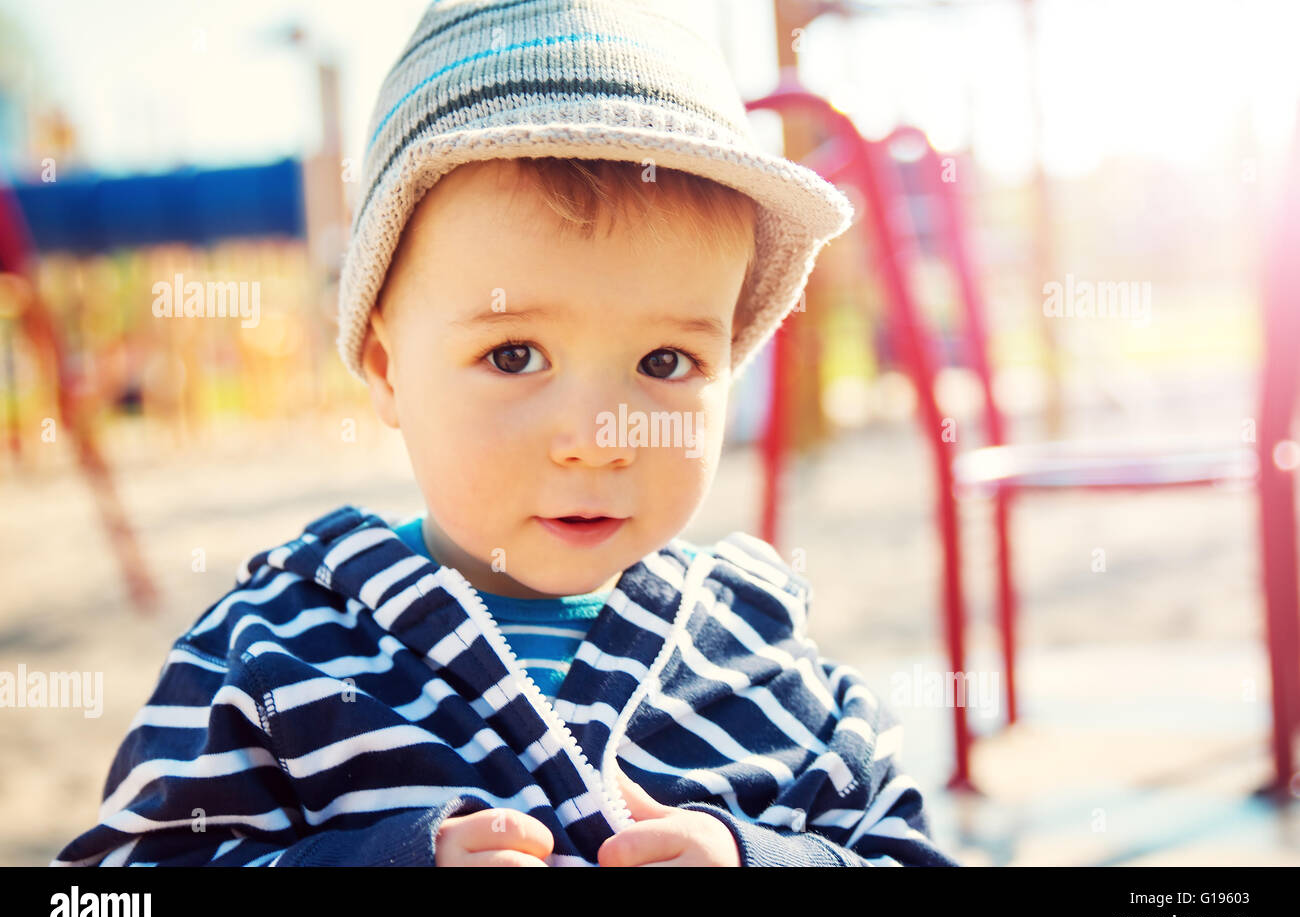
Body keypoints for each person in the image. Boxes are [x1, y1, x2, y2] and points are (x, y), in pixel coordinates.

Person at [52, 0, 960, 867]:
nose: (597, 439)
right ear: (385, 369)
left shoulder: (765, 662)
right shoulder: (277, 660)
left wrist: (758, 857)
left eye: (665, 363)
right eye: (515, 354)